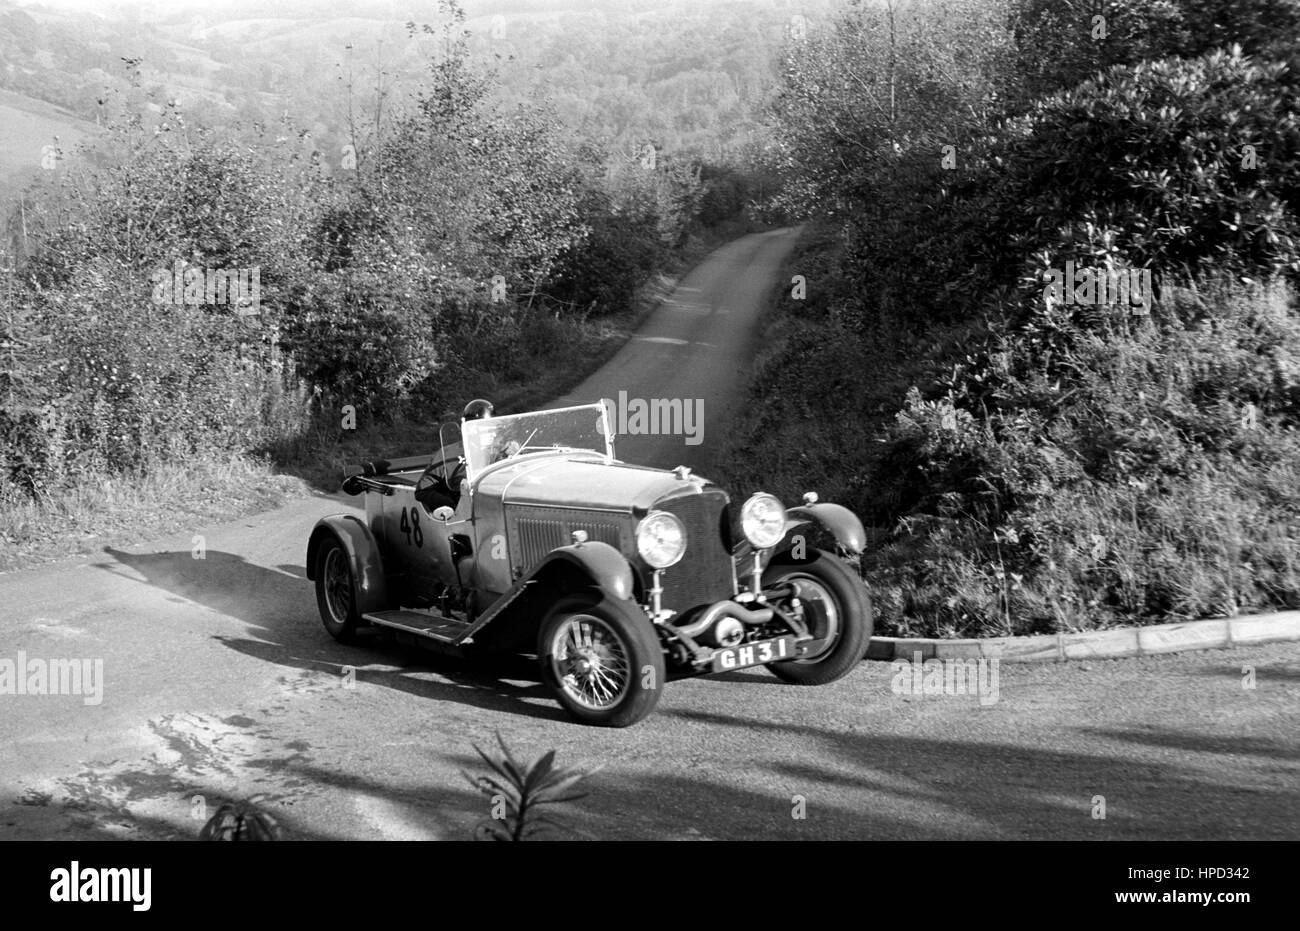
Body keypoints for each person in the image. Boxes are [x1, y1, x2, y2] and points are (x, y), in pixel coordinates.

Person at [414, 399, 493, 512]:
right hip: (466, 512)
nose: (493, 433)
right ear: (471, 429)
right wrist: (447, 504)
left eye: (494, 428)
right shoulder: (449, 453)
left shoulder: (502, 450)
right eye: (487, 429)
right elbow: (423, 489)